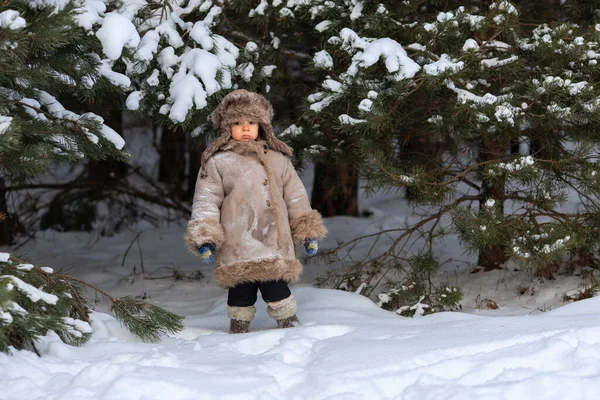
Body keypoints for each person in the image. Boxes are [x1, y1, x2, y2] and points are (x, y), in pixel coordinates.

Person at [184, 89, 327, 334]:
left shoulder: (278, 158)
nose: (246, 128)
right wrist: (205, 236)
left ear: (262, 125)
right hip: (237, 241)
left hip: (273, 240)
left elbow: (295, 194)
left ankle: (289, 325)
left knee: (276, 287)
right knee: (241, 290)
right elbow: (206, 200)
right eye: (238, 123)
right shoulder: (218, 161)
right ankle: (239, 327)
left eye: (251, 122)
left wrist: (307, 229)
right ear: (227, 128)